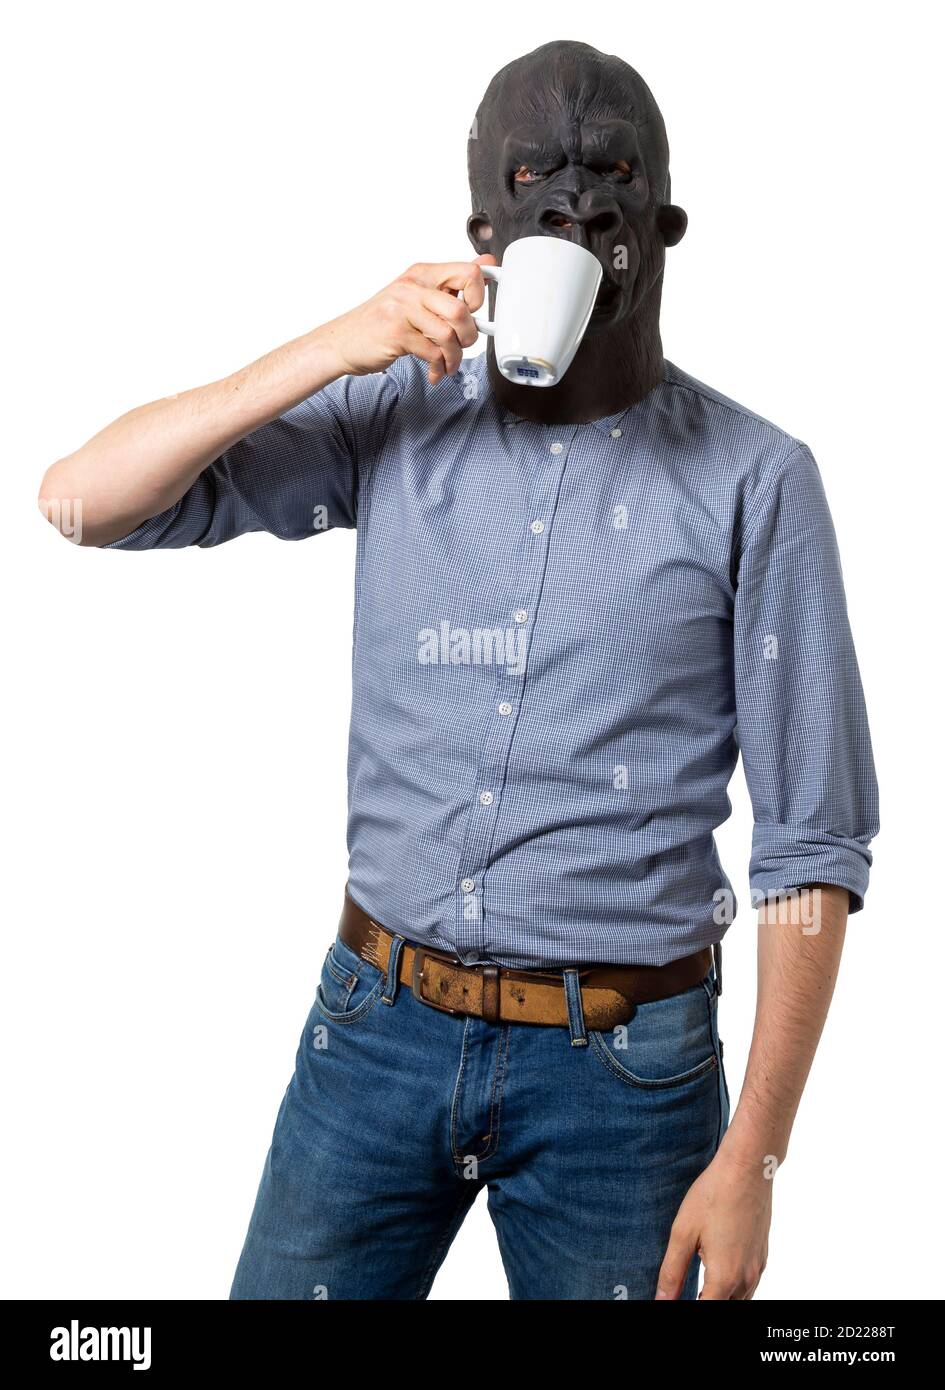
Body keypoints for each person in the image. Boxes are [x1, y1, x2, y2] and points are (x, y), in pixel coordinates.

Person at [39, 41, 879, 1300]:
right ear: (484, 227)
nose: (577, 207)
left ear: (664, 223)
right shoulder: (392, 414)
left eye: (611, 178)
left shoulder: (757, 481)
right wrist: (338, 342)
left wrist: (753, 1159)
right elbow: (78, 501)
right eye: (538, 177)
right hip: (376, 1026)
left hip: (626, 1074)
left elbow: (812, 845)